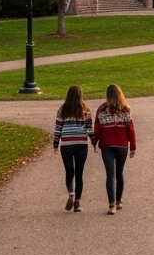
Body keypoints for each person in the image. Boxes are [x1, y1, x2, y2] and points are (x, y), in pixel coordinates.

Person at [91, 84, 135, 215]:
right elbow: (130, 129)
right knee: (119, 173)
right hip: (122, 145)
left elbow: (97, 128)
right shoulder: (125, 109)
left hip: (107, 145)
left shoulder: (102, 109)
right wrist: (132, 146)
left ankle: (111, 204)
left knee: (110, 175)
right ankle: (118, 200)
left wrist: (95, 141)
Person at [53, 85, 93, 213]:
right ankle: (77, 203)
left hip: (67, 144)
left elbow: (58, 128)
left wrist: (55, 144)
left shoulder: (63, 109)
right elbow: (89, 128)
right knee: (79, 174)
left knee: (69, 172)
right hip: (81, 143)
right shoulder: (85, 109)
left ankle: (71, 192)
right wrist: (93, 141)